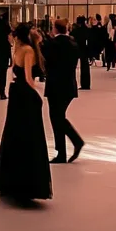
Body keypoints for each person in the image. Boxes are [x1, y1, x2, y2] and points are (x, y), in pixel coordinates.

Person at [0, 24, 52, 202]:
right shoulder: (28, 51)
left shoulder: (17, 50)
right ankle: (27, 182)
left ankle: (9, 179)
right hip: (25, 95)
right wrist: (37, 92)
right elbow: (28, 78)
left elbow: (16, 74)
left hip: (15, 93)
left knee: (13, 133)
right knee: (30, 135)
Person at [43, 19, 84, 164]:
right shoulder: (73, 43)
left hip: (56, 85)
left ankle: (67, 148)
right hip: (69, 85)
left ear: (55, 29)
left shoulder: (53, 44)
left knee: (56, 117)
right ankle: (69, 146)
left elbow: (45, 60)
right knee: (58, 117)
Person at [71, 16, 91, 90]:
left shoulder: (76, 31)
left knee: (73, 67)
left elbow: (72, 38)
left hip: (76, 49)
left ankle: (73, 84)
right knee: (85, 67)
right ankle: (86, 84)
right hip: (85, 49)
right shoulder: (87, 30)